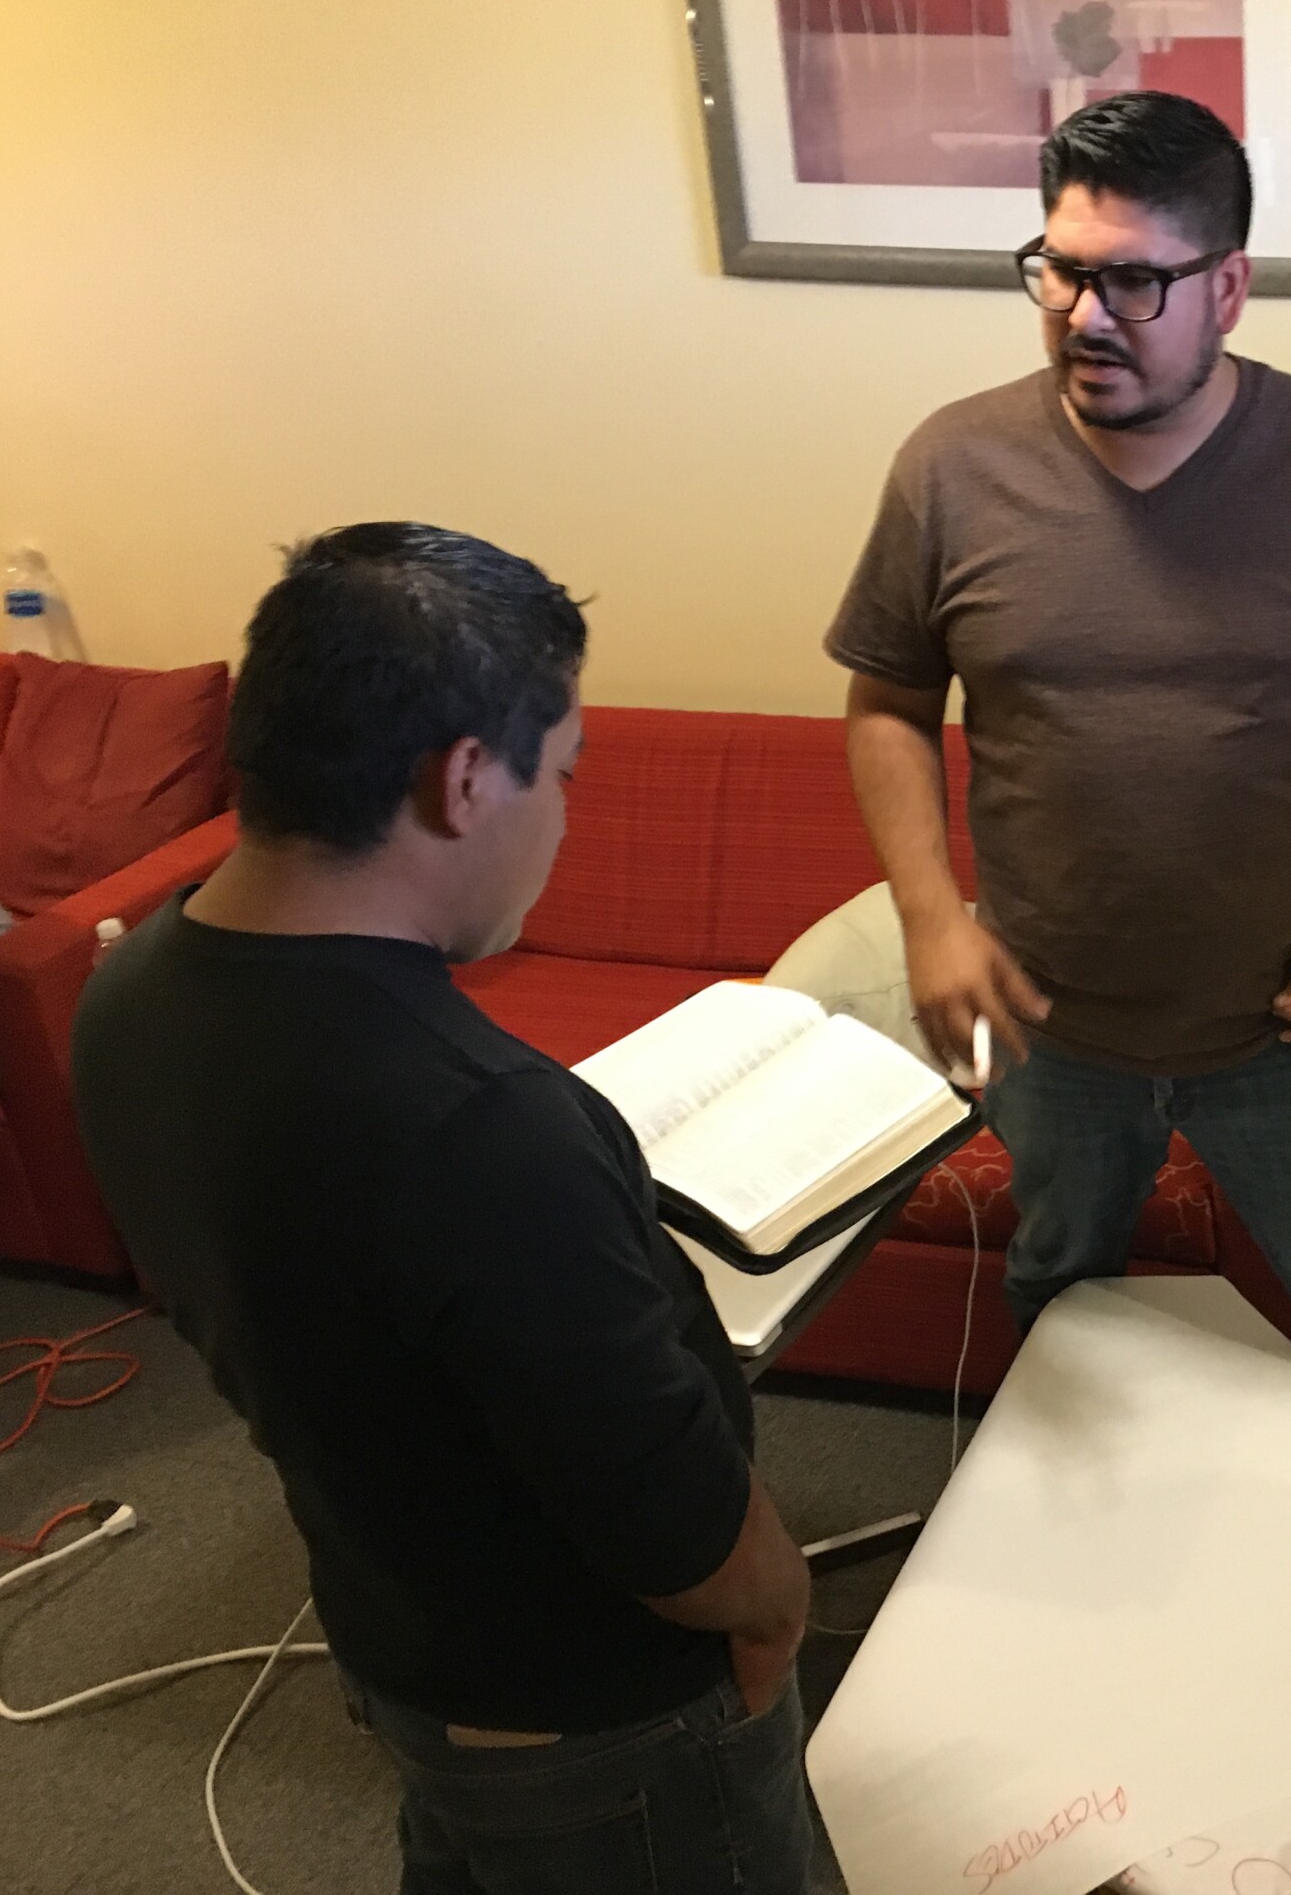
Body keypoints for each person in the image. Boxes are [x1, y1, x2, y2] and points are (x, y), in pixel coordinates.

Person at [73, 525, 821, 1895]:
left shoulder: (127, 997)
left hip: (398, 1631)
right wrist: (781, 1609)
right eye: (565, 775)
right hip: (597, 1718)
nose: (566, 821)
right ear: (466, 779)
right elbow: (674, 1527)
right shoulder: (480, 1121)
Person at [831, 92, 1291, 1467]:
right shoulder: (952, 467)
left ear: (1230, 289)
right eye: (1062, 271)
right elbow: (889, 705)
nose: (1086, 316)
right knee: (1060, 1312)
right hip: (1051, 1026)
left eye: (1135, 281)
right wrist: (929, 914)